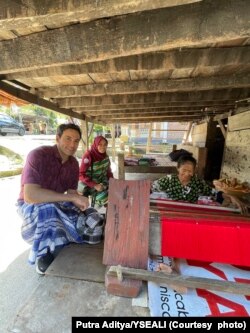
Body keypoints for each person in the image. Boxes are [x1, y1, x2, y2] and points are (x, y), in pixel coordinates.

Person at [17, 123, 89, 274]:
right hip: (30, 205)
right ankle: (44, 253)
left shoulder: (73, 164)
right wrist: (69, 197)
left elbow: (71, 192)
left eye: (76, 141)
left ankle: (64, 238)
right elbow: (30, 196)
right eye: (68, 139)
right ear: (57, 138)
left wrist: (79, 200)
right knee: (48, 209)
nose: (72, 144)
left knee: (90, 216)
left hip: (57, 203)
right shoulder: (38, 155)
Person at [152, 154, 249, 214]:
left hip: (191, 213)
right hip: (172, 213)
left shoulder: (197, 182)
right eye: (184, 170)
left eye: (190, 171)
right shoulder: (169, 180)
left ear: (194, 171)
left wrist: (232, 197)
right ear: (178, 168)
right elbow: (151, 188)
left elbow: (214, 193)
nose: (186, 174)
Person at [78, 135, 113, 207]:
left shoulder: (106, 156)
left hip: (102, 183)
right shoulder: (89, 156)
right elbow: (81, 174)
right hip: (90, 184)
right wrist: (94, 185)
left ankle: (100, 210)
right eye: (100, 144)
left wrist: (114, 182)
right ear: (95, 144)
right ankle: (94, 211)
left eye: (105, 145)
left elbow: (108, 172)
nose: (103, 147)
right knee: (108, 199)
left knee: (115, 194)